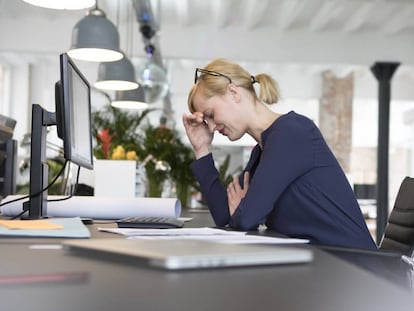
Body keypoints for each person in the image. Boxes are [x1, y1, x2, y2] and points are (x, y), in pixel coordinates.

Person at [182, 58, 377, 249]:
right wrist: (202, 149)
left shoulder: (292, 133)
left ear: (233, 92)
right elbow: (226, 217)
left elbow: (246, 218)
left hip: (355, 267)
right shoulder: (263, 150)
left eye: (210, 114)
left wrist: (243, 211)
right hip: (320, 263)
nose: (212, 127)